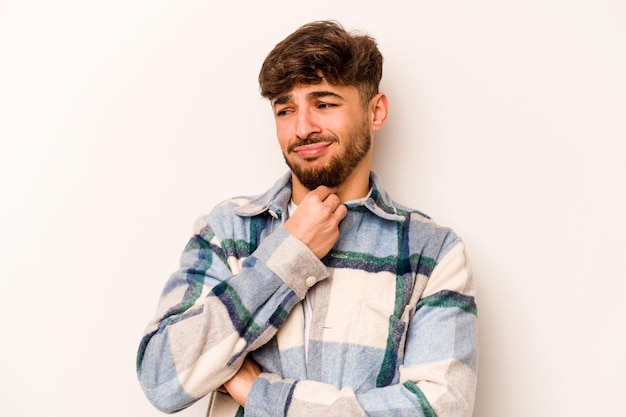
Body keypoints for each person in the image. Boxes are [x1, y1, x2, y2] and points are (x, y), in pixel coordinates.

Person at [136, 20, 478, 417]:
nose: (302, 128)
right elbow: (161, 378)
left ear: (376, 112)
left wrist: (259, 393)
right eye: (285, 109)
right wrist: (287, 256)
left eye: (324, 104)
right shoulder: (228, 231)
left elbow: (440, 409)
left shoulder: (431, 251)